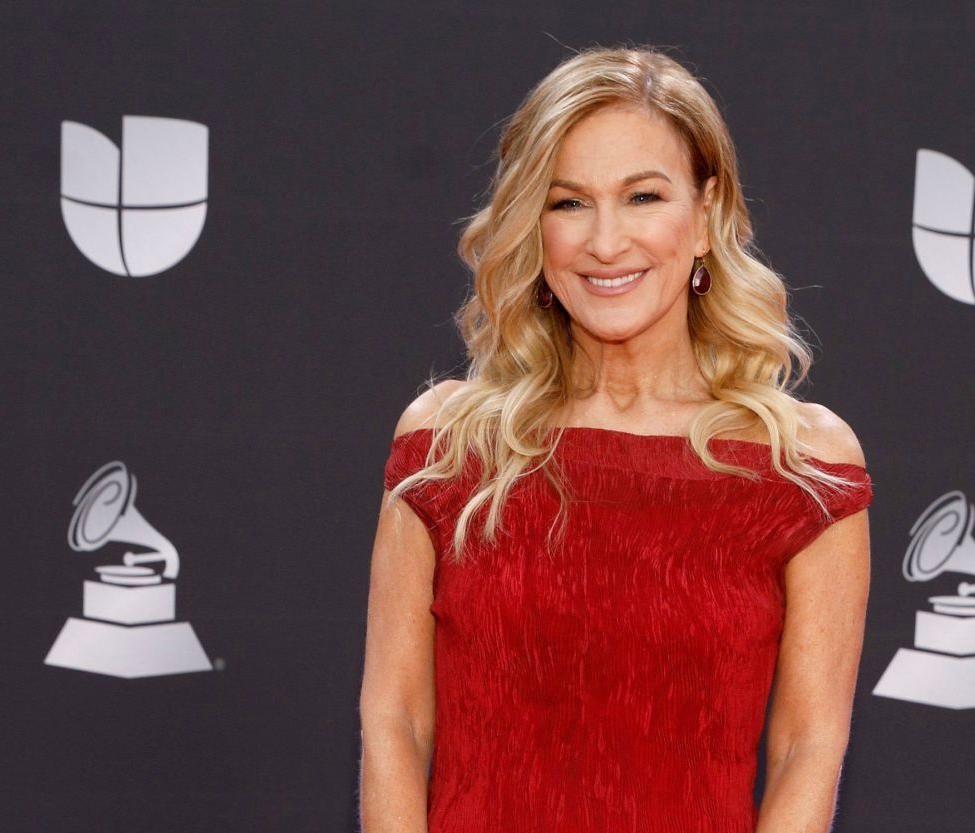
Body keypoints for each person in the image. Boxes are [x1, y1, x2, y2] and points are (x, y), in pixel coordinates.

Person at [359, 45, 873, 833]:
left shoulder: (801, 468)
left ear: (705, 217)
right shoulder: (446, 444)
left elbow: (810, 745)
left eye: (642, 196)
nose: (605, 242)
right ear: (535, 228)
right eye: (568, 203)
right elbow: (396, 720)